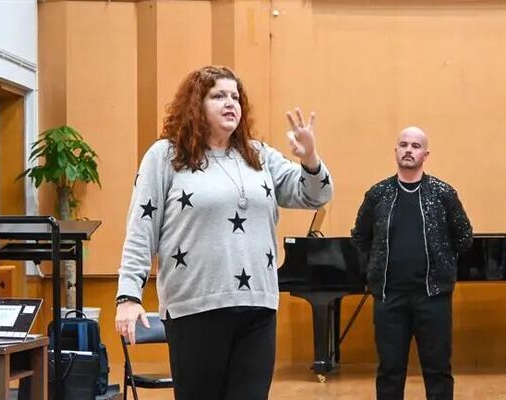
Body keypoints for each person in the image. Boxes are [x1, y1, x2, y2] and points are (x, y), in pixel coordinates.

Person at [115, 65, 333, 399]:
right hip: (195, 307)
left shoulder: (259, 155)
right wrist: (129, 296)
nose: (230, 103)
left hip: (258, 304)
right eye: (218, 96)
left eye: (235, 97)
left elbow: (316, 195)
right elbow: (141, 228)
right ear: (195, 105)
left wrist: (310, 159)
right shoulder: (166, 156)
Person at [351, 126, 473, 400]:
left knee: (438, 370)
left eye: (416, 146)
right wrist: (378, 266)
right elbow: (360, 237)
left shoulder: (443, 194)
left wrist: (443, 264)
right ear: (395, 150)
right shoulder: (377, 194)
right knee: (389, 371)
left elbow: (464, 237)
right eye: (404, 144)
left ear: (425, 154)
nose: (409, 150)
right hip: (389, 298)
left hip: (433, 297)